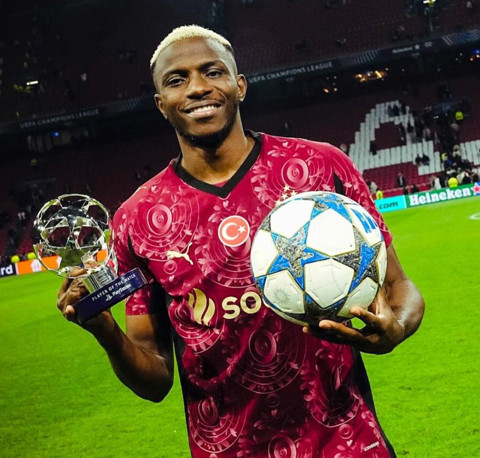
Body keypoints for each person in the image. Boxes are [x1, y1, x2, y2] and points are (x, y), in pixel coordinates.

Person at [57, 25, 425, 457]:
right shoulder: (138, 219)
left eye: (213, 71)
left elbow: (399, 287)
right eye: (177, 80)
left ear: (240, 85)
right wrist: (104, 330)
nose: (198, 87)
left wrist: (397, 327)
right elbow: (154, 380)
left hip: (348, 442)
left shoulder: (320, 167)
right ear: (161, 104)